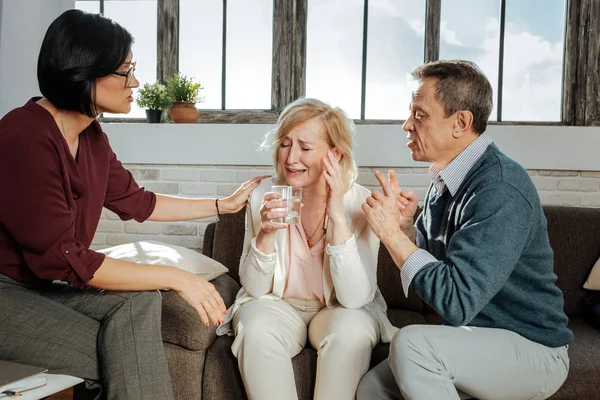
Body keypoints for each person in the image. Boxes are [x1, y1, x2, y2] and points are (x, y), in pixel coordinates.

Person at [0, 9, 267, 400]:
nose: (135, 82)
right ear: (85, 71)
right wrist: (178, 278)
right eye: (125, 71)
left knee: (138, 307)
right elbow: (68, 257)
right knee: (127, 354)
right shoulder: (22, 137)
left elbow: (139, 202)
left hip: (43, 286)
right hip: (7, 295)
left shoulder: (91, 137)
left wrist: (221, 205)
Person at [357, 60, 573, 400]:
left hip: (533, 349)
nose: (406, 125)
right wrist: (407, 229)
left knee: (412, 345)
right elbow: (443, 273)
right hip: (477, 339)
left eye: (420, 114)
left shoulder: (499, 188)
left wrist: (391, 235)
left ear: (461, 122)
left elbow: (455, 301)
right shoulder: (445, 181)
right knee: (372, 388)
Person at [215, 97, 398, 400]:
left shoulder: (361, 204)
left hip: (339, 309)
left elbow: (354, 298)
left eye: (305, 147)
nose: (291, 158)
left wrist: (337, 215)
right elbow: (256, 288)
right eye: (285, 144)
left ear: (334, 154)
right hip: (278, 305)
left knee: (352, 331)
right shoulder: (263, 196)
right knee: (255, 327)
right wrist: (266, 235)